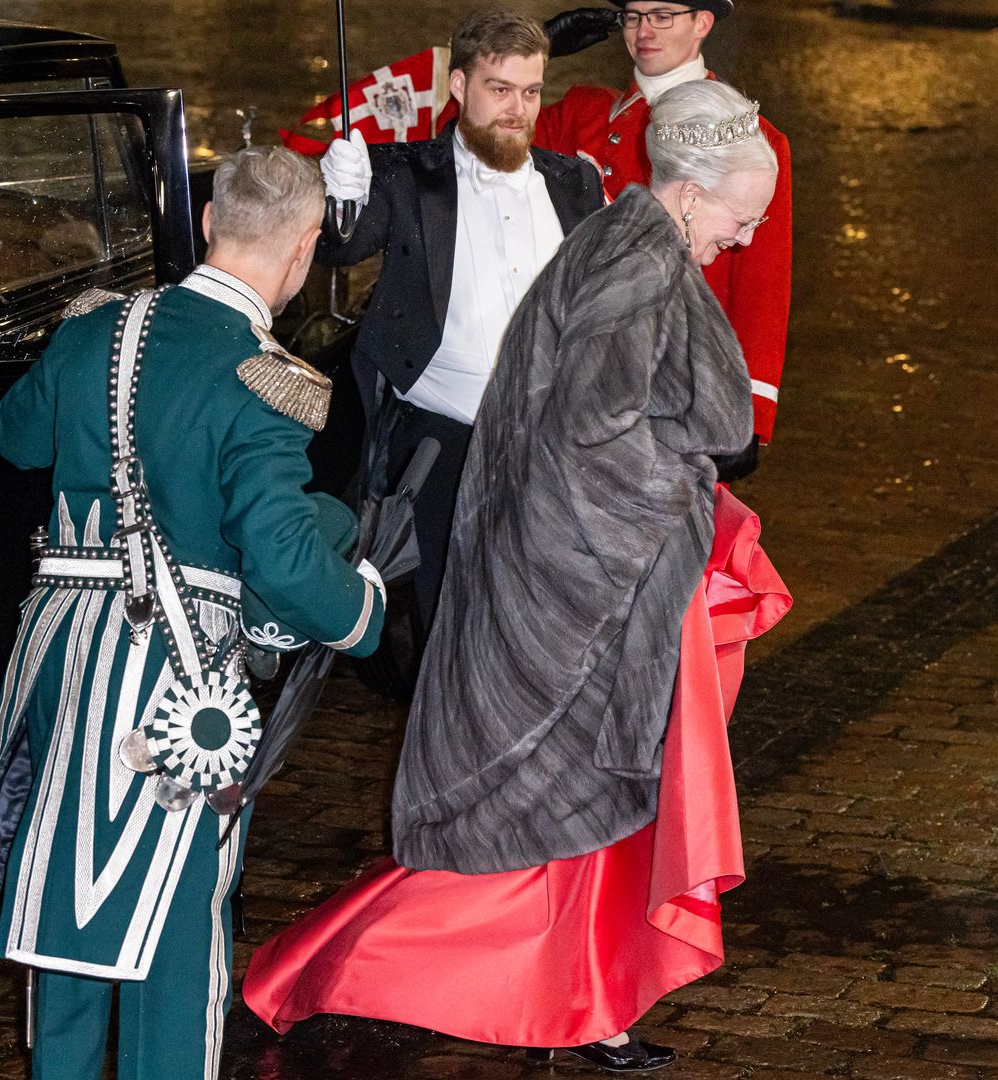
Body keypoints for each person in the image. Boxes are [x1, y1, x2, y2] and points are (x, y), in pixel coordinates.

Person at [244, 80, 792, 1074]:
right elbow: (590, 437)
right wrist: (679, 511)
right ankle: (330, 973)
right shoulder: (637, 266)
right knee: (529, 826)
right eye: (741, 218)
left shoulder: (638, 246)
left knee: (572, 821)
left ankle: (587, 1006)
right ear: (690, 195)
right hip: (572, 595)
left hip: (576, 585)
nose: (745, 238)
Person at [0, 146, 384, 1080]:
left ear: (208, 222)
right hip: (172, 670)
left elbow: (9, 437)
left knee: (65, 903)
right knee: (174, 916)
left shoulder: (94, 331)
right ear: (303, 252)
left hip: (57, 659)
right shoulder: (262, 377)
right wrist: (360, 613)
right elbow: (281, 555)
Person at [317, 9, 606, 627]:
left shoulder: (576, 183)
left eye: (530, 92)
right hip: (438, 444)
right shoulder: (405, 175)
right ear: (458, 86)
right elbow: (339, 249)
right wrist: (340, 198)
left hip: (547, 448)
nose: (518, 110)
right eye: (499, 90)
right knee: (442, 624)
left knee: (538, 622)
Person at [535, 0, 792, 452]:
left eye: (662, 15)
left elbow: (762, 285)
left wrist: (749, 408)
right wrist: (531, 50)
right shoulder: (581, 115)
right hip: (565, 372)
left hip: (677, 390)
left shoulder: (757, 141)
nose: (643, 31)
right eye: (633, 16)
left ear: (703, 22)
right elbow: (471, 153)